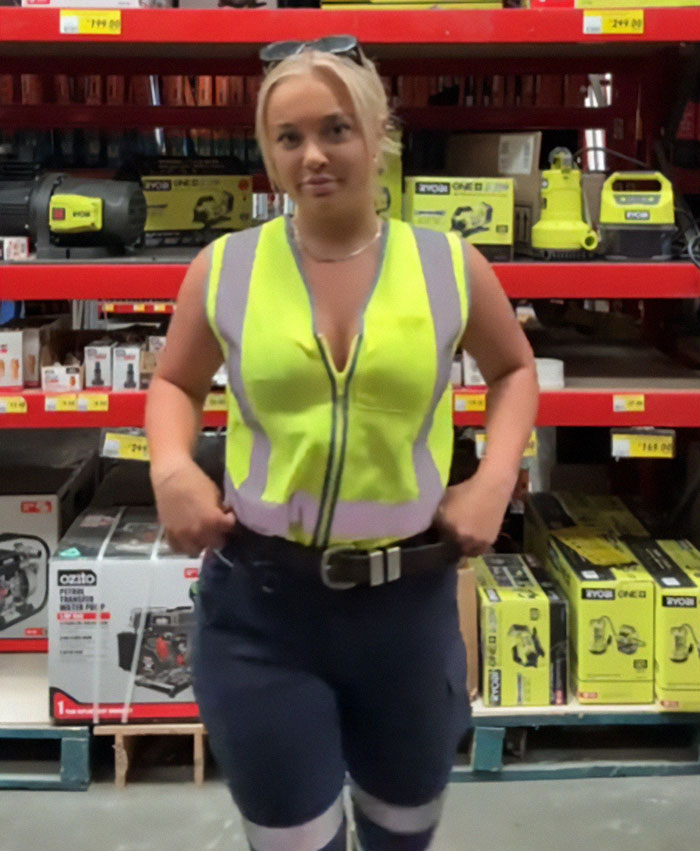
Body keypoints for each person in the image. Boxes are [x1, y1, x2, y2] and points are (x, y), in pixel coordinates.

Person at [145, 35, 538, 851]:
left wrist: (495, 477)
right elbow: (175, 383)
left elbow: (515, 369)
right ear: (268, 151)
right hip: (263, 610)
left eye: (335, 130)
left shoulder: (448, 266)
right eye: (288, 138)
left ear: (377, 133)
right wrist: (172, 464)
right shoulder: (225, 269)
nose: (313, 156)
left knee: (402, 836)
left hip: (408, 610)